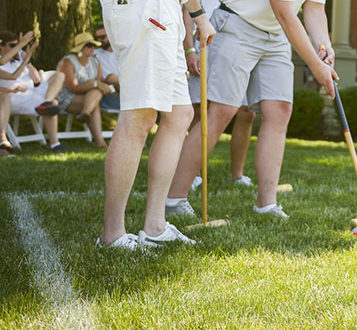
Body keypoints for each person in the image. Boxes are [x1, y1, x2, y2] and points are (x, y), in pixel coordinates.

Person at [165, 0, 338, 220]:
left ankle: (267, 204)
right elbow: (283, 11)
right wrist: (316, 65)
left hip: (277, 35)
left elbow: (314, 7)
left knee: (280, 109)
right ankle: (174, 199)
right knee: (223, 111)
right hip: (238, 24)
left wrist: (324, 45)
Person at [98, 0, 216, 249]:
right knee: (139, 117)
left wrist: (198, 16)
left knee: (179, 114)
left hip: (165, 12)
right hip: (146, 9)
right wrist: (200, 17)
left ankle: (155, 226)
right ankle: (112, 234)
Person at [182, 0, 255, 189]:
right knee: (200, 111)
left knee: (247, 112)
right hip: (204, 45)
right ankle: (192, 173)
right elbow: (187, 10)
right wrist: (190, 51)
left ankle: (236, 175)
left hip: (241, 45)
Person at [0, 31, 68, 152]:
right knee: (53, 103)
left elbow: (37, 80)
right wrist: (12, 89)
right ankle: (55, 143)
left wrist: (26, 60)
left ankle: (47, 102)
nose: (17, 48)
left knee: (60, 75)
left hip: (33, 91)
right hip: (15, 96)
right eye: (12, 45)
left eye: (18, 45)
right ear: (1, 46)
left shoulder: (20, 60)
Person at [55, 32, 110, 148]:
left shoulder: (95, 61)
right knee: (94, 102)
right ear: (81, 48)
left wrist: (95, 85)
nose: (93, 48)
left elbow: (100, 83)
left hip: (88, 97)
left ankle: (85, 113)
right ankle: (101, 143)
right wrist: (93, 84)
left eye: (93, 45)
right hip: (66, 98)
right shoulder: (68, 61)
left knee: (95, 94)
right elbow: (73, 87)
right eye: (89, 45)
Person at [93, 25, 120, 111]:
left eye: (102, 37)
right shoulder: (95, 54)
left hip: (124, 89)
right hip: (109, 93)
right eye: (98, 38)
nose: (100, 40)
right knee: (111, 77)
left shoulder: (122, 53)